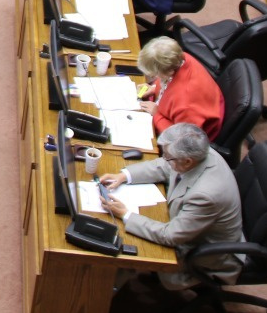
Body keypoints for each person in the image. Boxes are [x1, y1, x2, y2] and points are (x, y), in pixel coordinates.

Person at [99, 123, 245, 290]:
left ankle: (104, 292)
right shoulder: (199, 152)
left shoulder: (205, 195)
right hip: (193, 226)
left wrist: (126, 214)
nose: (166, 159)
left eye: (168, 156)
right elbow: (165, 166)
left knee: (128, 246)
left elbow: (170, 236)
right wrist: (124, 176)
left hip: (205, 252)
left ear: (188, 161)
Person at [137, 35, 224, 139]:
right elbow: (168, 80)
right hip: (193, 111)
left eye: (154, 74)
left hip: (186, 137)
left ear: (169, 71)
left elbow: (182, 139)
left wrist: (157, 115)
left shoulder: (186, 103)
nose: (152, 77)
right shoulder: (180, 58)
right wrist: (155, 88)